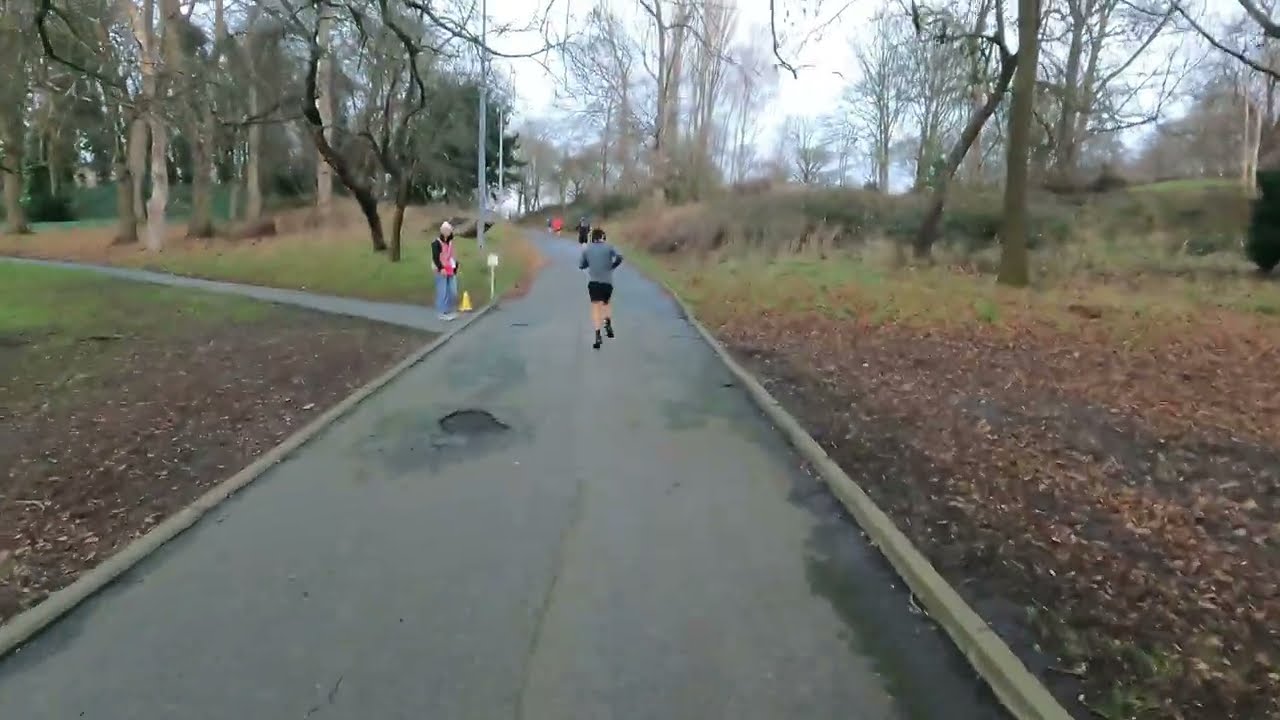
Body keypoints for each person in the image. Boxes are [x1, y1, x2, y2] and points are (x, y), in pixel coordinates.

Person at [579, 226, 623, 350]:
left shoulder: (587, 249)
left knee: (595, 308)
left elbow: (581, 265)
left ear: (592, 238)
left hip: (594, 282)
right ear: (603, 237)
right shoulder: (609, 247)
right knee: (606, 303)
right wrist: (612, 266)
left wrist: (589, 264)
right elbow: (619, 257)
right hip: (607, 282)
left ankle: (598, 335)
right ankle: (608, 322)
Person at [431, 221, 460, 321]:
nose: (449, 232)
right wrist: (441, 268)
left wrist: (456, 266)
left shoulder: (450, 242)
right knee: (442, 291)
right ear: (442, 231)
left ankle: (448, 310)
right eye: (447, 230)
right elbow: (435, 257)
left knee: (452, 290)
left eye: (450, 230)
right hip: (441, 270)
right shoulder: (436, 243)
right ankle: (441, 312)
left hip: (450, 269)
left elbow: (451, 255)